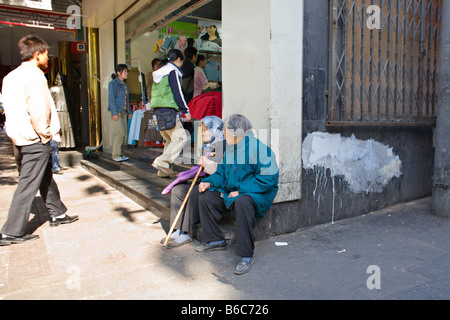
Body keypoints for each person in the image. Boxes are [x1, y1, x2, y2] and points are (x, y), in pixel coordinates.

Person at [0, 34, 78, 246]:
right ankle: (11, 231)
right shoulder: (35, 76)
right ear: (37, 54)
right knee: (28, 183)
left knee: (44, 176)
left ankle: (58, 213)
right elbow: (39, 110)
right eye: (45, 54)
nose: (47, 58)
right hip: (34, 138)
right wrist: (45, 134)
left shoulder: (11, 77)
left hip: (19, 136)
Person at [196, 114, 279, 275]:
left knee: (243, 202)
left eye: (226, 130)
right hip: (233, 191)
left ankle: (246, 255)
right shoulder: (231, 150)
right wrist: (210, 182)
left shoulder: (259, 149)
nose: (224, 133)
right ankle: (215, 240)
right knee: (207, 196)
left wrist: (241, 190)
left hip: (257, 193)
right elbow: (221, 173)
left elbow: (268, 179)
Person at [163, 116, 226, 248]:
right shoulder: (207, 147)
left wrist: (207, 164)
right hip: (204, 180)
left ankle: (187, 232)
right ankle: (177, 228)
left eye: (205, 130)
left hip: (216, 185)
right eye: (202, 130)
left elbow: (223, 173)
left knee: (194, 193)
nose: (202, 133)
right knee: (178, 190)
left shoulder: (223, 147)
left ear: (214, 130)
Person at [151, 49, 192, 177]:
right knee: (181, 137)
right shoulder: (172, 71)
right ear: (179, 60)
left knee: (169, 140)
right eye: (181, 62)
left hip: (158, 112)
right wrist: (186, 110)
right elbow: (178, 93)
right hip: (168, 111)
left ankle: (162, 172)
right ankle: (162, 162)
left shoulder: (160, 73)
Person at [108, 64, 131, 162]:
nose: (126, 73)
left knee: (123, 134)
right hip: (116, 112)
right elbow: (111, 100)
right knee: (119, 133)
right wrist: (114, 113)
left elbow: (127, 100)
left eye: (126, 71)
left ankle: (120, 154)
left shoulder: (125, 84)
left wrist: (129, 111)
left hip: (123, 112)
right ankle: (116, 155)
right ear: (118, 73)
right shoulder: (113, 84)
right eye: (125, 71)